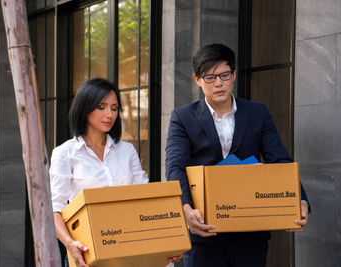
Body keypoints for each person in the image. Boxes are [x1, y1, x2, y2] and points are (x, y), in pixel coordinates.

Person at [165, 43, 310, 267]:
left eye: (224, 74)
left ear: (234, 74)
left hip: (250, 234)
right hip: (204, 232)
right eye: (210, 77)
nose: (219, 83)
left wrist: (299, 200)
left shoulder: (257, 112)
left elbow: (280, 160)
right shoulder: (182, 117)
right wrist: (185, 209)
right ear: (197, 79)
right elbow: (176, 167)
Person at [50, 78, 182, 267]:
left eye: (114, 108)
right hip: (88, 252)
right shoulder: (65, 154)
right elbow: (55, 209)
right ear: (84, 108)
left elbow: (145, 198)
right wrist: (70, 244)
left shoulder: (127, 150)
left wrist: (166, 241)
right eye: (101, 107)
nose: (109, 114)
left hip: (129, 247)